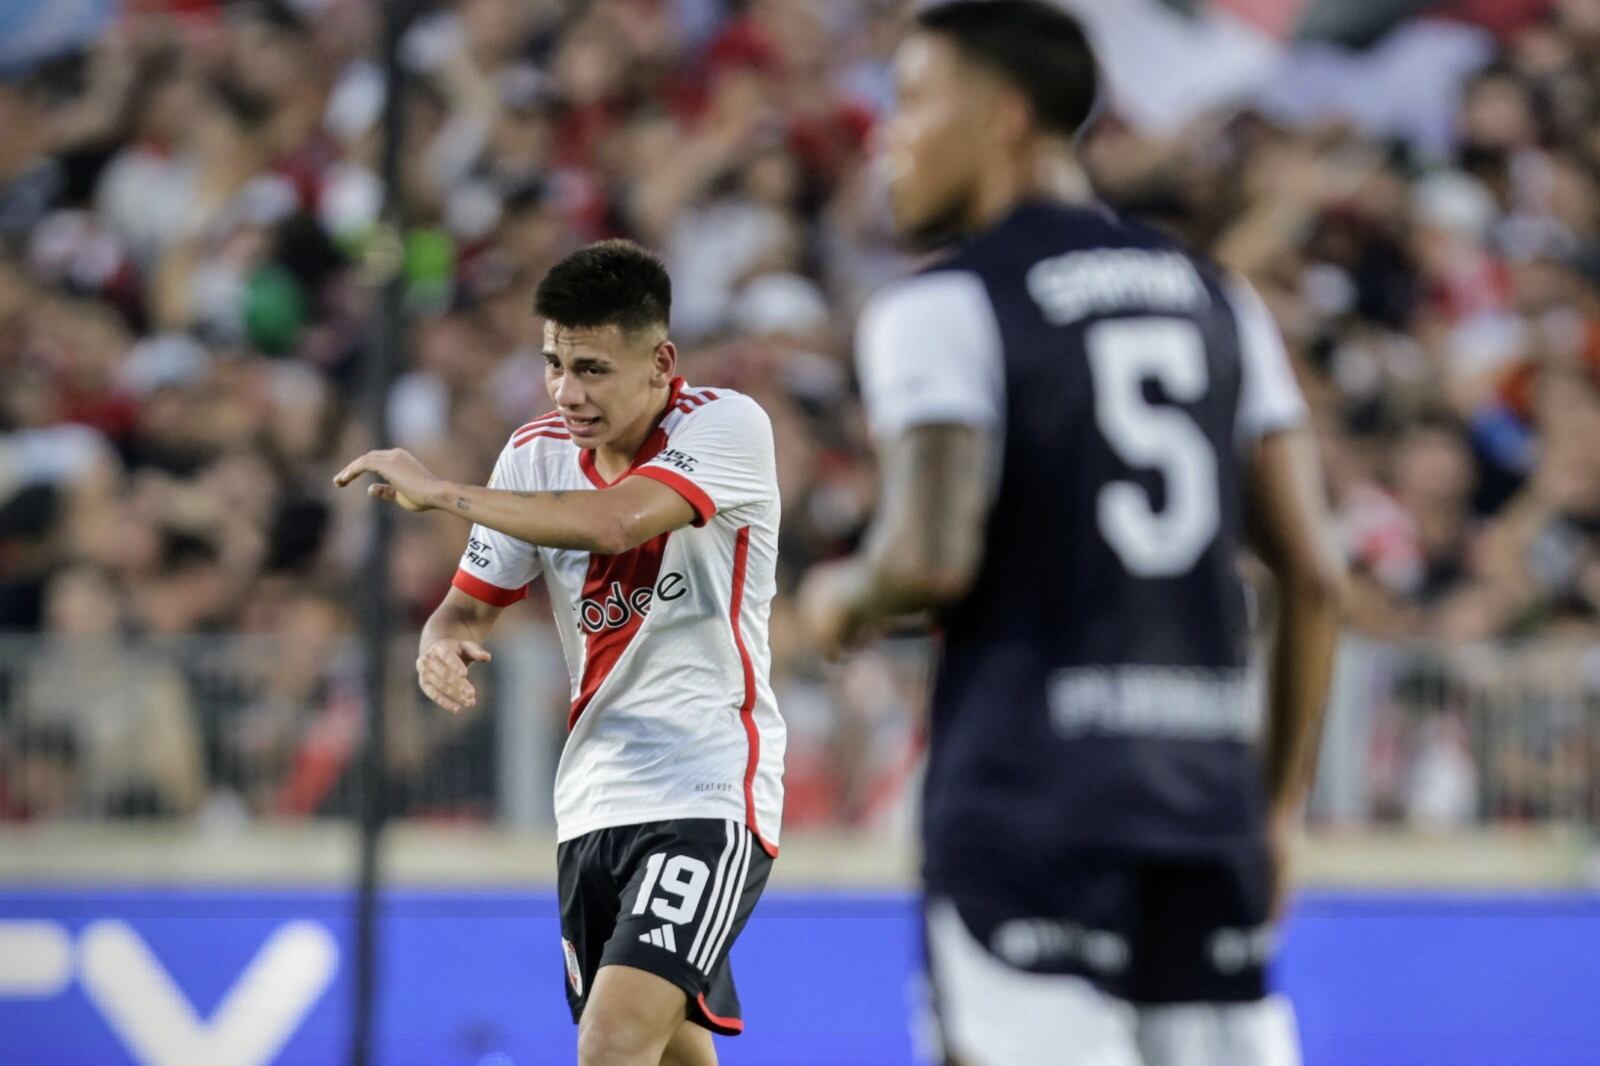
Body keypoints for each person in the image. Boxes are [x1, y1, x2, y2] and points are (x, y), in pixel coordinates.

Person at [798, 4, 1346, 1065]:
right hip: (1202, 809)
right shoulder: (1217, 298)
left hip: (1025, 811)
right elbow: (1314, 577)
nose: (886, 134)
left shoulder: (944, 305)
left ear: (1004, 118)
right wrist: (1276, 811)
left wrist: (837, 599)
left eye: (912, 99)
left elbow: (928, 557)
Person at [335, 240, 785, 1066]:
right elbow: (466, 611)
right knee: (675, 1052)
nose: (567, 392)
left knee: (609, 1044)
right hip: (592, 800)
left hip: (708, 786)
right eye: (554, 364)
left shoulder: (729, 425)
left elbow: (615, 521)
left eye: (591, 369)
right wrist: (442, 645)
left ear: (661, 361)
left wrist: (439, 493)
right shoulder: (533, 454)